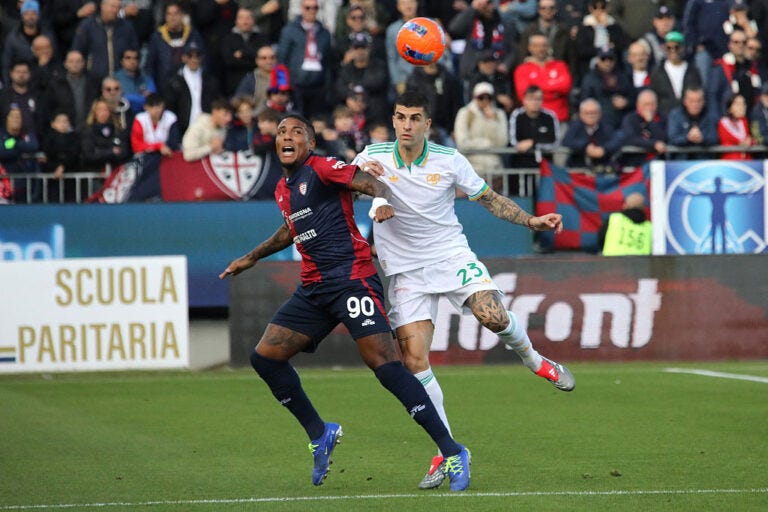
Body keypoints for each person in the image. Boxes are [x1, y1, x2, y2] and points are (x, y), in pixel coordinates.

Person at [219, 112, 471, 491]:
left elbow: (367, 181)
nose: (287, 136)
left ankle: (452, 451)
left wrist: (381, 200)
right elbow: (292, 228)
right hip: (314, 289)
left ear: (309, 143)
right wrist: (253, 257)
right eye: (282, 132)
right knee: (265, 358)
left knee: (385, 366)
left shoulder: (323, 167)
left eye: (297, 132)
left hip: (352, 281)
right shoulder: (283, 189)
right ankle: (320, 433)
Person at [354, 90, 574, 490]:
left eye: (413, 118)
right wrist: (374, 203)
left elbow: (488, 199)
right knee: (414, 363)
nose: (405, 125)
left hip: (449, 256)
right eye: (400, 117)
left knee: (494, 317)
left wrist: (531, 221)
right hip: (404, 272)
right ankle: (449, 450)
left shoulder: (449, 159)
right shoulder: (372, 155)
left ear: (426, 125)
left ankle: (535, 360)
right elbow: (353, 186)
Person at [71, 0, 139, 82]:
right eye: (112, 6)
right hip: (93, 80)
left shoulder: (127, 27)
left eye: (118, 7)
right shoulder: (87, 26)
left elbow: (134, 51)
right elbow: (78, 51)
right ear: (102, 6)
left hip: (121, 80)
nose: (114, 10)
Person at [513, 32, 573, 124]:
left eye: (544, 45)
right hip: (533, 120)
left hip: (559, 117)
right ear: (530, 48)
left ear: (549, 47)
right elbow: (523, 95)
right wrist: (554, 91)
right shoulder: (522, 69)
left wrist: (538, 89)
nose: (541, 49)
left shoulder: (560, 65)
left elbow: (566, 87)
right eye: (536, 46)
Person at [453, 81, 509, 175]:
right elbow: (462, 143)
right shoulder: (465, 113)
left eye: (489, 98)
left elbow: (502, 142)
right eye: (481, 97)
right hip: (472, 169)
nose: (485, 101)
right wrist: (485, 143)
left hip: (495, 169)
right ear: (474, 97)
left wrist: (492, 121)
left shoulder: (499, 114)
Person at [649, 31, 703, 115]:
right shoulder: (657, 72)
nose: (673, 51)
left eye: (677, 47)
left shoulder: (693, 71)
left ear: (683, 48)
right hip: (664, 119)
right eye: (669, 47)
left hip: (688, 119)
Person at [508, 84, 560, 169]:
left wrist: (533, 142)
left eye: (538, 99)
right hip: (521, 167)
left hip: (545, 168)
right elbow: (513, 142)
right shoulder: (517, 115)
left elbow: (555, 142)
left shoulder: (550, 116)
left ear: (542, 101)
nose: (534, 102)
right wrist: (538, 141)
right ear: (524, 100)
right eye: (531, 99)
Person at [666, 86, 719, 159]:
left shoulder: (710, 116)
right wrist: (687, 138)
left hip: (704, 161)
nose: (695, 104)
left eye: (699, 101)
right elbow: (672, 138)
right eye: (692, 101)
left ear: (703, 101)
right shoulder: (675, 115)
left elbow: (715, 138)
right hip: (680, 162)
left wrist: (702, 138)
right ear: (685, 101)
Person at [561, 98, 612, 170]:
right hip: (578, 167)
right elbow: (566, 141)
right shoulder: (575, 126)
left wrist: (603, 149)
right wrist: (585, 146)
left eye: (594, 112)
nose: (591, 116)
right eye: (587, 113)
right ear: (581, 114)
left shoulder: (606, 127)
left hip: (601, 168)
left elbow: (615, 141)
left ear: (600, 113)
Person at [717, 93, 753, 160]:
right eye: (738, 104)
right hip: (731, 162)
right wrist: (740, 143)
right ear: (729, 108)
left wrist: (750, 141)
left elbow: (753, 139)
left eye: (743, 104)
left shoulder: (744, 121)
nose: (742, 107)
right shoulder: (723, 123)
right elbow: (725, 142)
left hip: (747, 162)